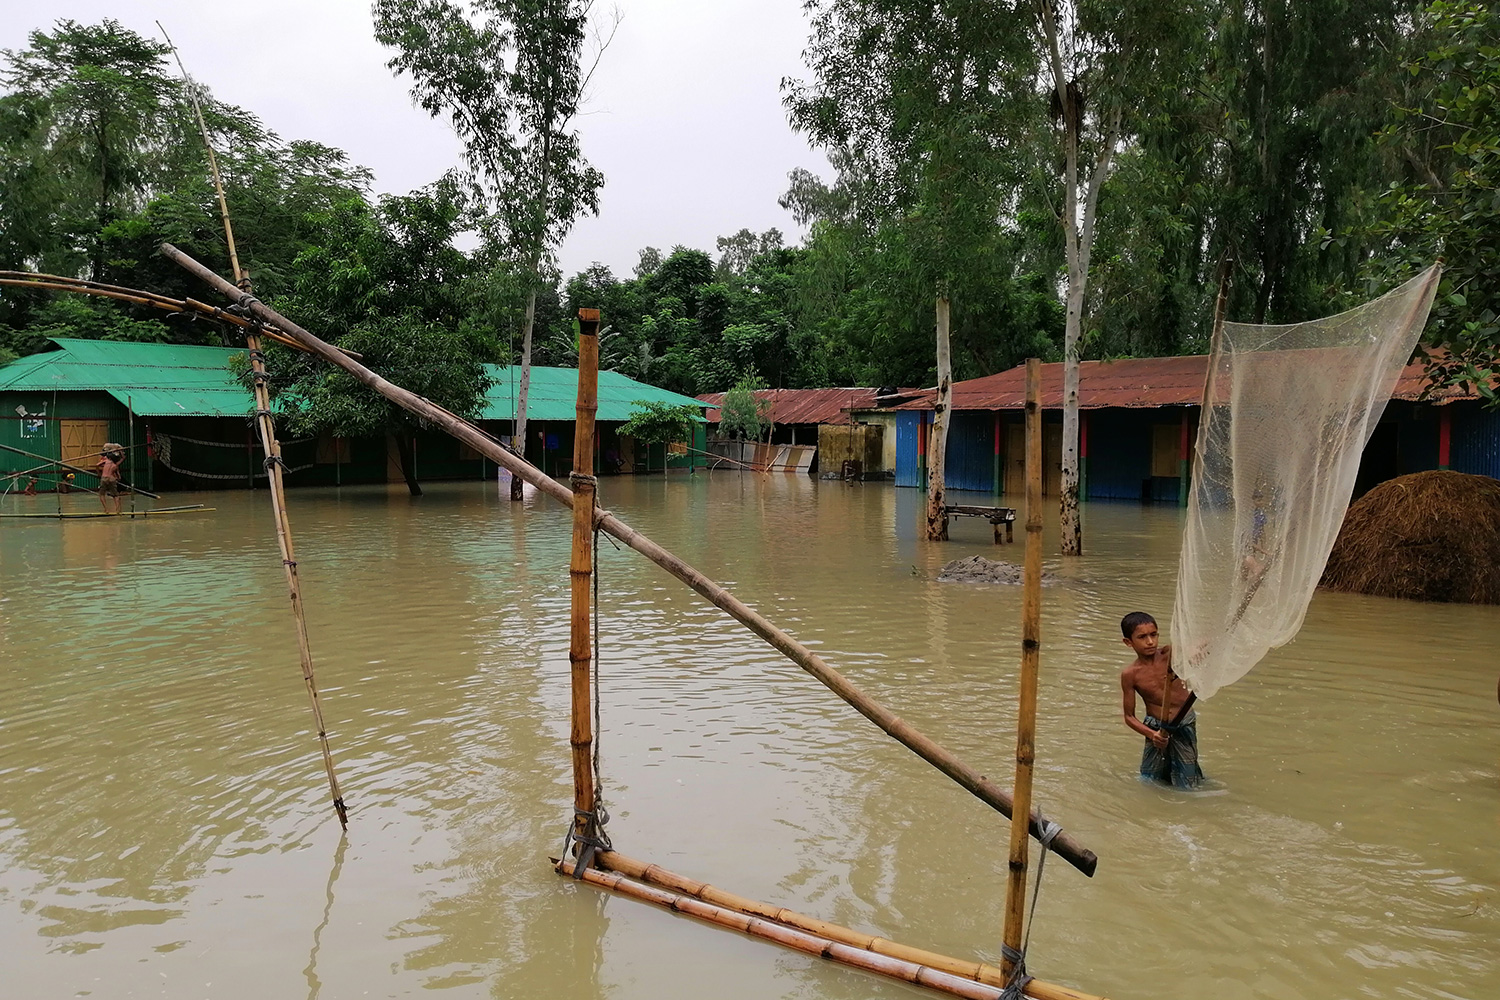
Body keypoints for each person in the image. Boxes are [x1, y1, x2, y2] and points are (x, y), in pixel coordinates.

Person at [1119, 611, 1204, 789]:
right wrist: (1153, 735)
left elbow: (1203, 646)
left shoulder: (1170, 655)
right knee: (1150, 779)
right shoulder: (1130, 674)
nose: (1150, 642)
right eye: (1142, 637)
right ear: (1128, 642)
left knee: (1188, 782)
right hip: (1156, 727)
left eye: (1153, 635)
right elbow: (1129, 717)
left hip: (1183, 722)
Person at [95, 444, 125, 514]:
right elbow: (123, 458)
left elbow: (97, 465)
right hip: (112, 479)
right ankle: (118, 510)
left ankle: (106, 509)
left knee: (102, 494)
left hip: (104, 478)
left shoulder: (106, 462)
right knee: (116, 495)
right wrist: (120, 451)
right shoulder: (116, 465)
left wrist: (99, 474)